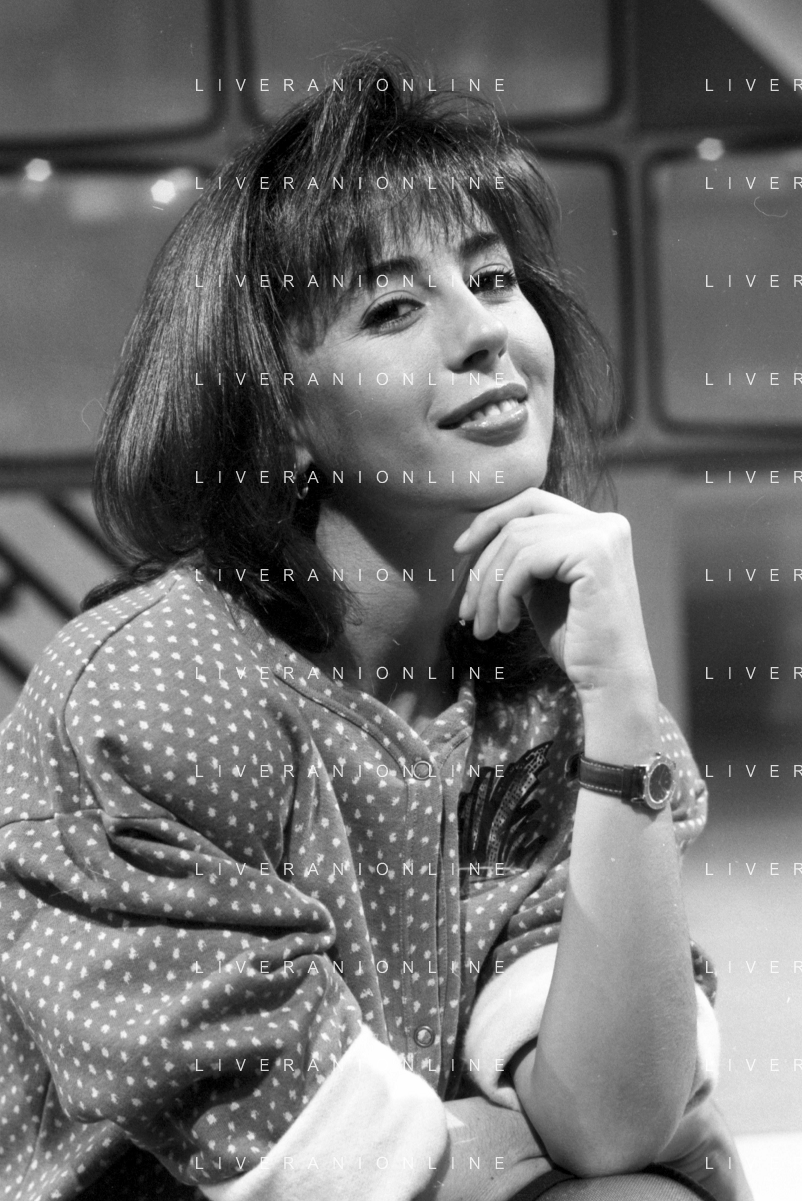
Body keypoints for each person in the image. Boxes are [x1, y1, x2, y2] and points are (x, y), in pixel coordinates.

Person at [0, 55, 752, 1201]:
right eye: (394, 308)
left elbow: (613, 1116)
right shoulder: (155, 688)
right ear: (279, 416)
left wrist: (619, 705)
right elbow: (326, 1165)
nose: (483, 332)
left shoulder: (533, 688)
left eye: (493, 278)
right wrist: (557, 1152)